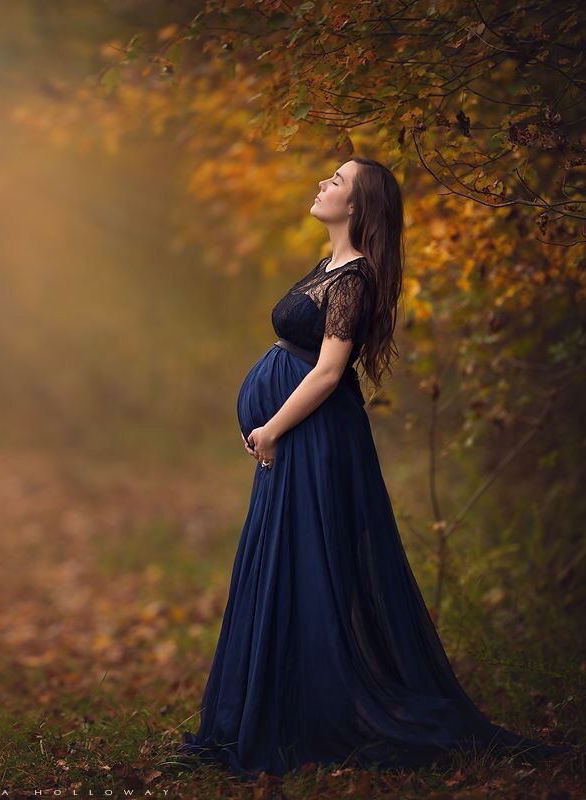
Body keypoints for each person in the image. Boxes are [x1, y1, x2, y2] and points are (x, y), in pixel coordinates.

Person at [174, 157, 571, 781]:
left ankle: (325, 713)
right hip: (295, 437)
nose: (322, 184)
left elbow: (330, 372)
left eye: (336, 181)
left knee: (310, 564)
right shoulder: (329, 267)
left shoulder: (354, 278)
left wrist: (272, 427)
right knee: (284, 560)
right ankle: (272, 707)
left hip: (313, 436)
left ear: (358, 208)